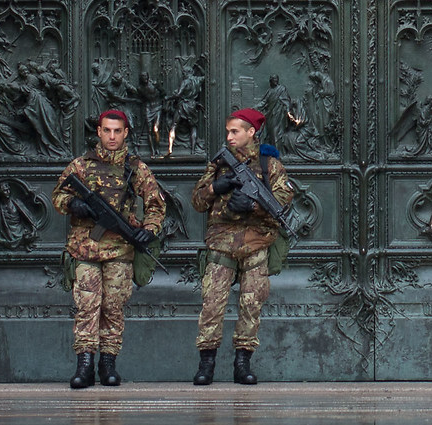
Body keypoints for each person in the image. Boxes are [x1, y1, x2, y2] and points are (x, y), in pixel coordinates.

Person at [50, 108, 167, 390]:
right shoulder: (80, 165)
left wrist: (148, 231)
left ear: (125, 133)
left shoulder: (135, 168)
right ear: (99, 132)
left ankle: (108, 363)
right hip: (86, 249)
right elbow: (58, 196)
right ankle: (85, 364)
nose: (112, 136)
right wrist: (72, 204)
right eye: (107, 131)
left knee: (113, 307)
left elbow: (156, 204)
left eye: (117, 131)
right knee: (87, 306)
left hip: (119, 251)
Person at [188, 108, 295, 387]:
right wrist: (217, 187)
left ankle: (242, 363)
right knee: (212, 305)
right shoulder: (219, 164)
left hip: (255, 243)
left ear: (251, 132)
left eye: (235, 131)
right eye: (228, 131)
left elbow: (282, 200)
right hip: (221, 243)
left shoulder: (269, 164)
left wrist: (254, 205)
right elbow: (197, 201)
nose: (230, 136)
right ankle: (206, 364)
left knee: (251, 305)